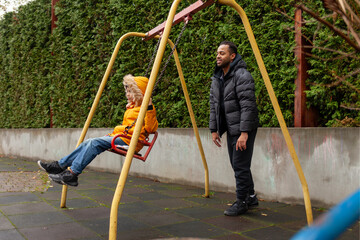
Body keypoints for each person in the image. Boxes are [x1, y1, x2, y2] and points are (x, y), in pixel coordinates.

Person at [38, 74, 158, 187]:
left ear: (140, 93)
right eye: (126, 91)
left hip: (130, 141)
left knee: (93, 143)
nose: (127, 94)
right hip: (122, 137)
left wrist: (149, 107)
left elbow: (151, 128)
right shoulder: (132, 107)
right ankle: (60, 165)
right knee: (88, 142)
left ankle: (72, 174)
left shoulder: (146, 109)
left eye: (130, 91)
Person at [209, 41, 259, 216]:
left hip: (244, 128)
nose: (218, 56)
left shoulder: (242, 75)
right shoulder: (217, 78)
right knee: (239, 165)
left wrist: (244, 133)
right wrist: (214, 129)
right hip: (232, 127)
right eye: (217, 53)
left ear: (232, 56)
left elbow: (248, 106)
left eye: (222, 53)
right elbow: (213, 105)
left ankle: (242, 202)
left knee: (239, 165)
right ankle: (251, 197)